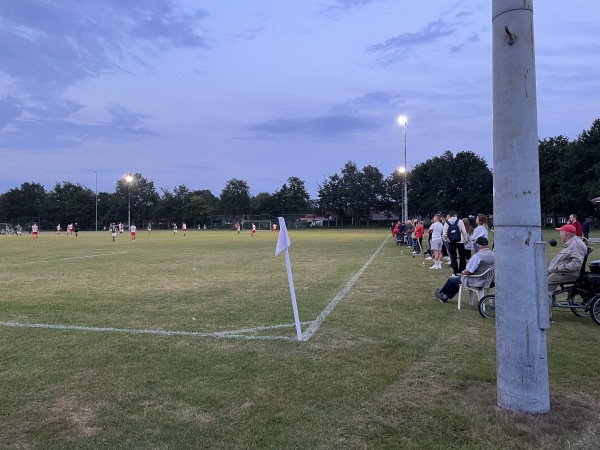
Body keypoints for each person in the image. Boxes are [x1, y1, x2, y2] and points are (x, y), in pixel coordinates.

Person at [435, 237, 495, 303]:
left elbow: (468, 271)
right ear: (488, 245)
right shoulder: (493, 254)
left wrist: (462, 273)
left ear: (478, 245)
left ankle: (443, 295)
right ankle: (444, 294)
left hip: (478, 281)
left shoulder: (477, 256)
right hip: (490, 281)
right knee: (457, 280)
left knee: (452, 280)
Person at [547, 224, 588, 321]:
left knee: (544, 287)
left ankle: (546, 317)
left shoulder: (576, 244)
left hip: (567, 273)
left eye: (560, 232)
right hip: (562, 272)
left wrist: (559, 268)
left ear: (565, 233)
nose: (559, 235)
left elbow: (576, 264)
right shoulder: (572, 242)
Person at [442, 211, 469, 276]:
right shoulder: (460, 221)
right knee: (462, 256)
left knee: (453, 256)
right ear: (455, 215)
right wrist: (465, 240)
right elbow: (464, 232)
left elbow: (444, 233)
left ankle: (455, 270)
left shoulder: (447, 222)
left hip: (451, 241)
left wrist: (446, 240)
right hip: (460, 241)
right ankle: (461, 269)